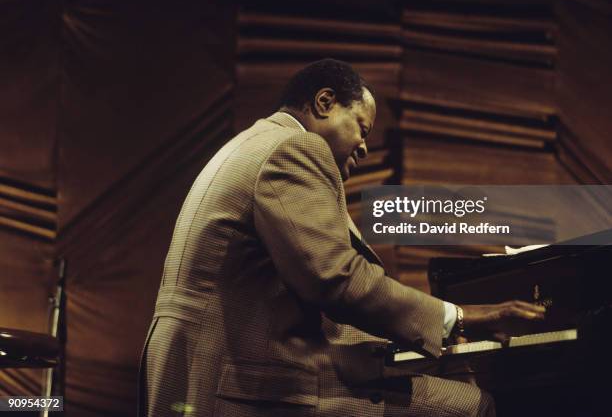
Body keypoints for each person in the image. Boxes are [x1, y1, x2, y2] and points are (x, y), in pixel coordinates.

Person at [139, 58, 545, 417]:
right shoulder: (296, 148)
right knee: (470, 406)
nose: (365, 148)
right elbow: (335, 279)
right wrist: (458, 317)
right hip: (248, 381)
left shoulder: (250, 144)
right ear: (324, 103)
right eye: (362, 129)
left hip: (203, 364)